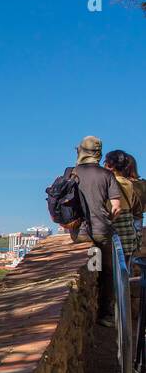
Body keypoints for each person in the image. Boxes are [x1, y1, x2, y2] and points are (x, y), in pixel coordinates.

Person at [70, 136, 123, 327]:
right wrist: (108, 218)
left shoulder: (71, 173)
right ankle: (105, 314)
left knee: (92, 267)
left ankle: (87, 311)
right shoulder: (106, 175)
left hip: (80, 233)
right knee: (106, 271)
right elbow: (116, 206)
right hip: (101, 231)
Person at [105, 149, 144, 257]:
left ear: (110, 166)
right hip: (128, 227)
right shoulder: (128, 183)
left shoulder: (109, 182)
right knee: (127, 261)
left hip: (116, 223)